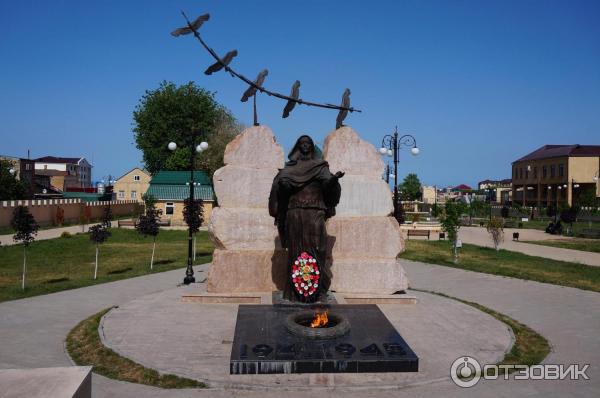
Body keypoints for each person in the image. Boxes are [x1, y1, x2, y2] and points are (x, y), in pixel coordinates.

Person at [269, 135, 343, 302]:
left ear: (311, 146)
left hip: (315, 212)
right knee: (295, 250)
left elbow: (327, 186)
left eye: (307, 143)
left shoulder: (320, 166)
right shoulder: (289, 168)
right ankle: (295, 292)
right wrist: (283, 186)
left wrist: (333, 180)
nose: (304, 146)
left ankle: (318, 289)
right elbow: (280, 189)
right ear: (297, 147)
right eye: (301, 143)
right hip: (295, 213)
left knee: (319, 248)